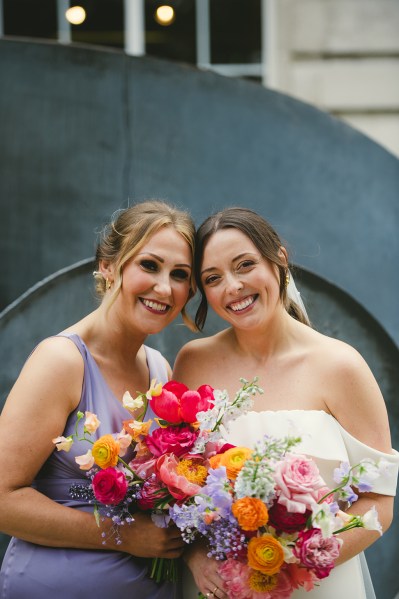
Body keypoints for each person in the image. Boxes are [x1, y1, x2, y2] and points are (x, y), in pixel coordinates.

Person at [173, 207, 399, 599]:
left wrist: (294, 561)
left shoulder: (340, 365)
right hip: (217, 588)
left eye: (245, 265)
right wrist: (193, 556)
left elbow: (379, 501)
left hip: (314, 585)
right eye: (213, 278)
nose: (233, 287)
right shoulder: (193, 362)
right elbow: (175, 482)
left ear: (279, 257)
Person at [0, 200, 196, 598]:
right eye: (149, 265)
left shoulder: (161, 370)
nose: (164, 287)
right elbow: (3, 499)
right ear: (108, 265)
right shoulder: (62, 361)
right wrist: (121, 536)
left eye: (180, 274)